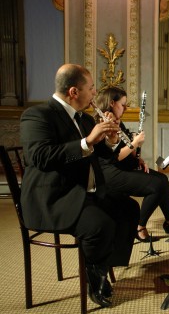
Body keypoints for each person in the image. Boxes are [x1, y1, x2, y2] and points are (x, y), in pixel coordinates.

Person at [20, 64, 140, 307]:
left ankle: (101, 265)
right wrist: (87, 141)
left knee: (128, 210)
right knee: (100, 225)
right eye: (91, 88)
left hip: (86, 192)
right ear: (74, 91)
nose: (95, 93)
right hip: (54, 197)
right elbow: (40, 157)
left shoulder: (84, 119)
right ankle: (95, 277)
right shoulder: (38, 115)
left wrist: (111, 141)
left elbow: (102, 157)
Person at [94, 86, 169, 242]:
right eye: (122, 104)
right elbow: (113, 157)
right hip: (108, 173)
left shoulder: (117, 121)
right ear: (111, 103)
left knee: (162, 180)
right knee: (156, 186)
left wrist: (137, 158)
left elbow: (123, 149)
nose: (125, 108)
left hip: (122, 167)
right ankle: (139, 227)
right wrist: (134, 144)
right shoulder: (101, 122)